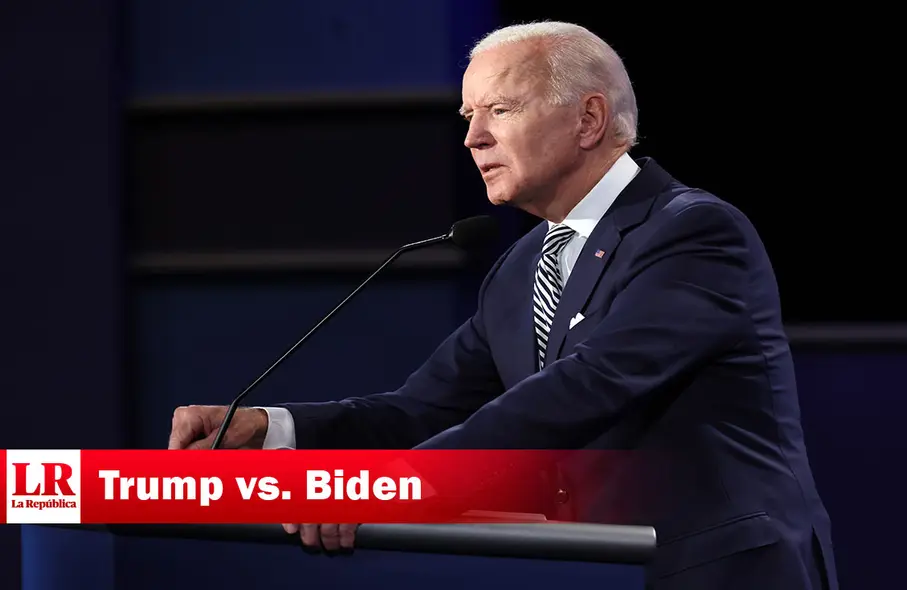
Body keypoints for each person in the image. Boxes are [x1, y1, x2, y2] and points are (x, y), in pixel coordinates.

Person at [168, 21, 838, 590]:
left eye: (500, 110)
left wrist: (388, 490)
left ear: (588, 119)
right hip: (597, 572)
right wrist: (275, 429)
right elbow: (421, 409)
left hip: (717, 570)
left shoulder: (693, 233)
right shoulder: (522, 269)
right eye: (467, 117)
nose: (473, 138)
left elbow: (589, 385)